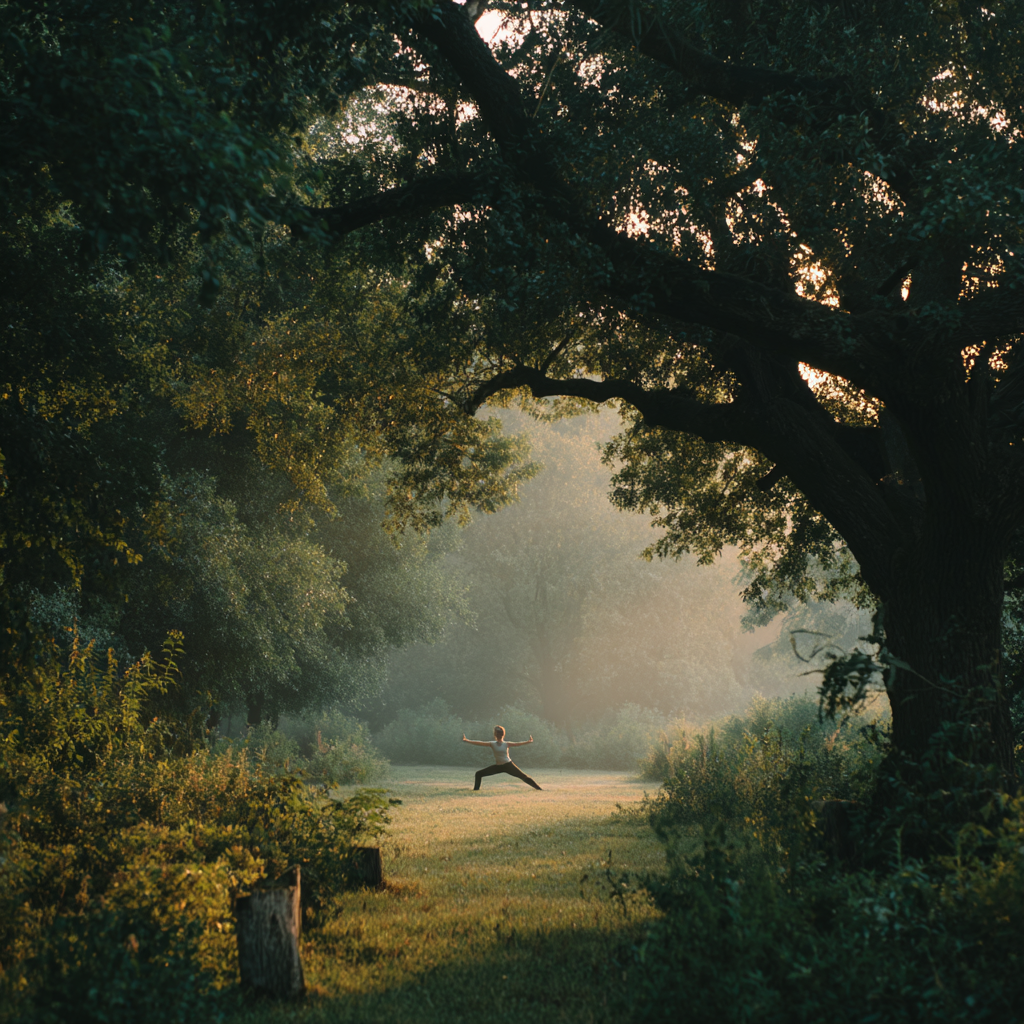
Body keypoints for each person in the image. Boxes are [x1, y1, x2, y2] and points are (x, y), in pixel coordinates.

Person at [462, 725, 542, 791]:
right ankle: (476, 790)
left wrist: (528, 741)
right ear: (496, 735)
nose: (498, 736)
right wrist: (467, 740)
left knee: (523, 776)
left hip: (508, 765)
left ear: (502, 735)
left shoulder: (506, 744)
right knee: (479, 774)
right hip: (498, 767)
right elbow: (479, 743)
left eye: (500, 734)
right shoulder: (492, 744)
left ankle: (539, 789)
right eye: (497, 734)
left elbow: (518, 744)